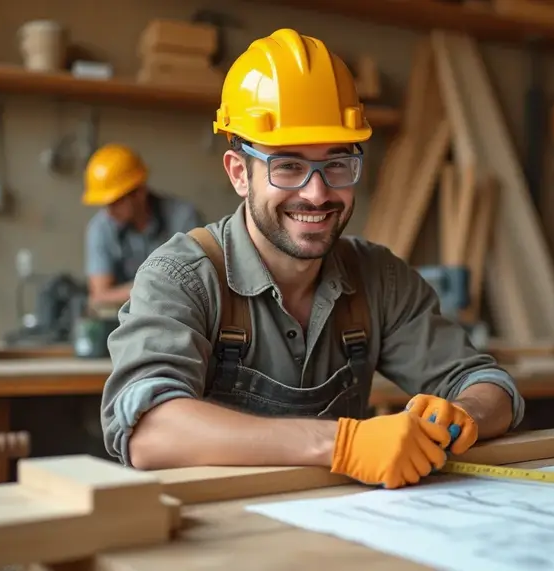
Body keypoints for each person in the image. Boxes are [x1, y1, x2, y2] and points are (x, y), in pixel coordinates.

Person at [99, 29, 524, 490]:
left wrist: (466, 414)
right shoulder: (182, 276)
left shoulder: (378, 279)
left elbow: (488, 382)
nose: (317, 193)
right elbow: (147, 429)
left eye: (337, 164)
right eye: (288, 166)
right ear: (240, 173)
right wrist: (340, 445)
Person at [83, 143, 202, 307]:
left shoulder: (182, 218)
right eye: (105, 204)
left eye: (116, 202)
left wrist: (127, 291)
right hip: (123, 321)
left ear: (139, 192)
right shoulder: (101, 228)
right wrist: (160, 285)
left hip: (179, 315)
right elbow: (100, 295)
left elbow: (197, 284)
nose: (110, 211)